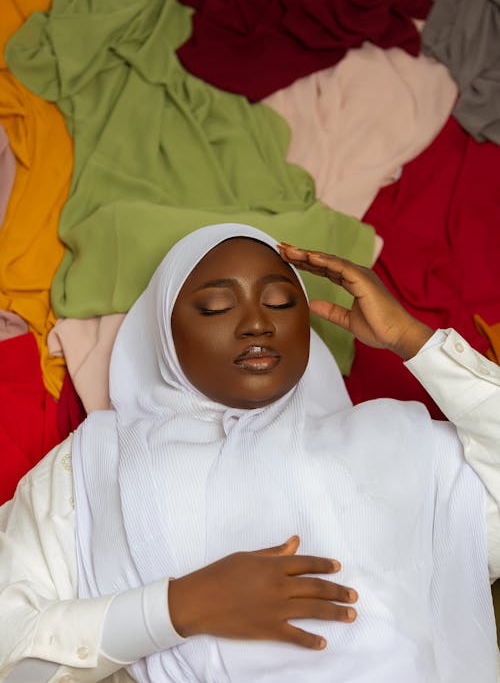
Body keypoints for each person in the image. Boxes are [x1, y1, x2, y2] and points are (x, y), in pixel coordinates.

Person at [0, 223, 499, 683]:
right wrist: (177, 608)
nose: (257, 323)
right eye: (217, 307)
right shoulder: (93, 466)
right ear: (164, 333)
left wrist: (417, 342)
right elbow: (12, 653)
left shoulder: (394, 442)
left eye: (282, 302)